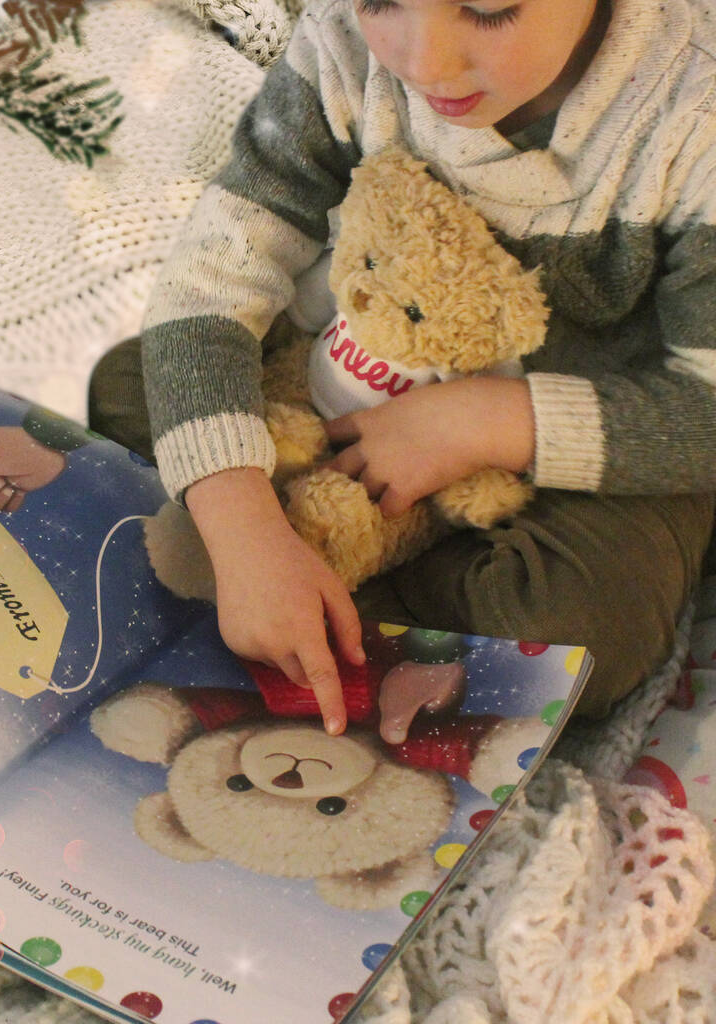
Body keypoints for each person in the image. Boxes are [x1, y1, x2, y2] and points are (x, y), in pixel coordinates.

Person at [89, 0, 716, 737]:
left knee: (584, 638)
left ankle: (349, 575)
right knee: (133, 385)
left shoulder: (693, 113)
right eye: (382, 1)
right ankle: (312, 568)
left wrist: (484, 422)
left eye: (488, 10)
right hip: (355, 374)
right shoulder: (342, 47)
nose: (423, 65)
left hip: (585, 437)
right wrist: (241, 526)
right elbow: (214, 277)